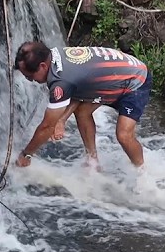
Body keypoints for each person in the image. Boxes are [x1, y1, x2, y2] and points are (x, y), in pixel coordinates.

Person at [14, 42, 151, 169]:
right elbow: (77, 88)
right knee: (82, 112)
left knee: (123, 135)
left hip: (135, 79)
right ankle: (92, 160)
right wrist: (61, 119)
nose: (31, 80)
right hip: (118, 72)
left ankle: (141, 171)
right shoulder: (56, 54)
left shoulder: (60, 80)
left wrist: (26, 155)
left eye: (30, 76)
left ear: (43, 66)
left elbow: (47, 127)